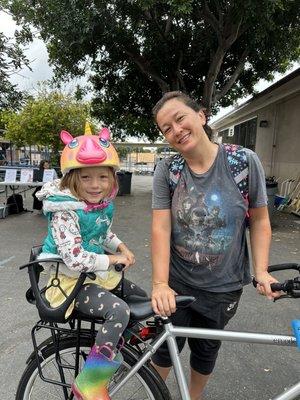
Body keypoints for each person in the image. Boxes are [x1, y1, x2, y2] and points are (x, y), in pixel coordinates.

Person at [150, 91, 280, 400]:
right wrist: (159, 283)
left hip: (224, 287)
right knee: (164, 350)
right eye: (166, 128)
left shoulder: (242, 162)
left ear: (201, 116)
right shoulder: (168, 171)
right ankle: (152, 393)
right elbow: (160, 227)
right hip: (178, 282)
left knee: (206, 352)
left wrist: (261, 271)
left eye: (179, 119)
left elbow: (259, 221)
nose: (176, 130)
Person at [36, 124, 146, 400]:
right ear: (72, 179)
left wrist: (121, 246)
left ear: (112, 179)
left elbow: (102, 232)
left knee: (144, 301)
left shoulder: (98, 205)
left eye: (102, 177)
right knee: (119, 311)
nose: (95, 185)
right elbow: (75, 258)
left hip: (94, 276)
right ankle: (90, 381)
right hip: (71, 282)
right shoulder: (64, 211)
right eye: (85, 177)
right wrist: (113, 259)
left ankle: (112, 352)